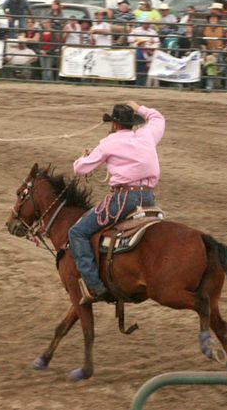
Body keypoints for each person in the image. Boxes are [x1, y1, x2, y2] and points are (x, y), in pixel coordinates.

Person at [69, 102, 165, 304]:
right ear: (132, 123)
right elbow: (158, 118)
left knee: (77, 232)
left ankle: (94, 285)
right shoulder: (146, 134)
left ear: (114, 124)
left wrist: (82, 158)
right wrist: (140, 107)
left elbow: (81, 169)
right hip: (148, 198)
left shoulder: (109, 142)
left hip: (124, 200)